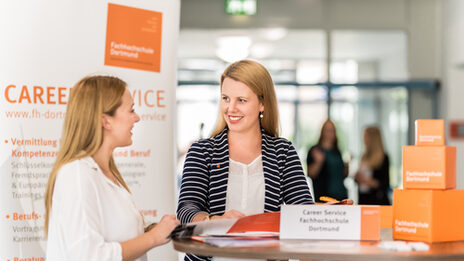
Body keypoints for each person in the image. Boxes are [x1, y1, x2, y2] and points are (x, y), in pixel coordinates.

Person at [177, 60, 315, 261]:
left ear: (262, 103)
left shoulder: (282, 152)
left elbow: (302, 210)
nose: (230, 108)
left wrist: (332, 216)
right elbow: (186, 209)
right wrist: (214, 220)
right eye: (225, 98)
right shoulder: (202, 152)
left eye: (241, 100)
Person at [44, 76, 179, 261]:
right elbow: (88, 255)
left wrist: (152, 230)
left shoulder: (105, 172)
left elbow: (113, 235)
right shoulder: (76, 174)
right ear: (106, 121)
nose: (137, 117)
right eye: (131, 110)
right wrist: (152, 238)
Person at [306, 120, 348, 202]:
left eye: (332, 130)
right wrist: (318, 162)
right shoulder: (315, 150)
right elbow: (310, 173)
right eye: (328, 130)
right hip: (325, 197)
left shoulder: (337, 151)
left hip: (341, 195)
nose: (330, 133)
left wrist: (346, 166)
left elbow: (341, 175)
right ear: (322, 132)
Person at [355, 126, 390, 205]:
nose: (363, 139)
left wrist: (370, 182)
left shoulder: (383, 158)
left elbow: (385, 183)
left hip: (376, 201)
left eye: (365, 136)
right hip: (364, 199)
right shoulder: (364, 156)